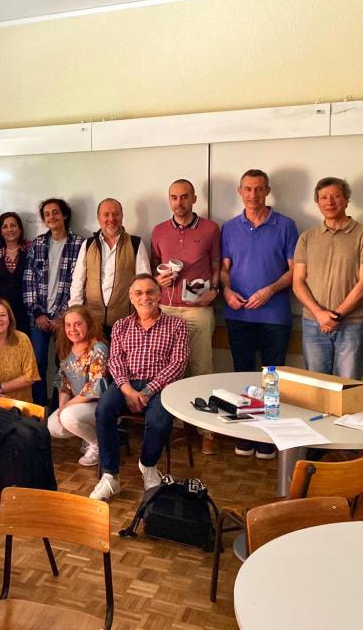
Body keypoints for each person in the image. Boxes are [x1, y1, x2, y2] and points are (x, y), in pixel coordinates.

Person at [220, 169, 298, 460]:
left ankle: (268, 437)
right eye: (248, 189)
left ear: (268, 191)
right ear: (240, 191)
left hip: (274, 315)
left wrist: (270, 291)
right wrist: (226, 291)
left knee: (272, 379)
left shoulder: (286, 225)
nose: (253, 195)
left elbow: (295, 272)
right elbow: (224, 269)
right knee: (242, 375)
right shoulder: (229, 227)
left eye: (259, 189)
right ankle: (246, 432)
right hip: (238, 314)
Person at [90, 275, 189, 502]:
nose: (145, 297)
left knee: (160, 419)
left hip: (161, 386)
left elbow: (178, 364)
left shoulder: (177, 325)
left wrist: (146, 391)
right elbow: (115, 361)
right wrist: (126, 389)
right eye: (139, 293)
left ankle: (148, 466)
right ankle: (110, 476)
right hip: (127, 383)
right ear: (131, 298)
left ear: (159, 295)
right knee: (104, 409)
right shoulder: (121, 325)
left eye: (150, 292)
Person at [150, 179, 222, 454]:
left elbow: (216, 263)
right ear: (169, 200)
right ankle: (174, 425)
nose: (179, 202)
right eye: (174, 197)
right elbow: (154, 269)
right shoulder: (158, 230)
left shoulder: (210, 229)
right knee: (167, 371)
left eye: (184, 197)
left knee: (202, 368)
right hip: (166, 310)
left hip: (198, 310)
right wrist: (160, 280)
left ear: (193, 198)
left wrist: (214, 289)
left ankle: (207, 431)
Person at [293, 177, 363, 379]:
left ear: (346, 200)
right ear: (317, 202)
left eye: (336, 196)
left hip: (352, 324)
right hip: (314, 323)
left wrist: (337, 316)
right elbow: (298, 282)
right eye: (323, 197)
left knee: (346, 388)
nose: (329, 202)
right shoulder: (307, 237)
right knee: (316, 387)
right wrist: (320, 314)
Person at [23, 197, 84, 407]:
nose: (52, 217)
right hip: (38, 316)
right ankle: (40, 409)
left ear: (64, 215)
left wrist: (63, 317)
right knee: (38, 363)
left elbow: (80, 283)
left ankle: (62, 408)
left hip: (65, 318)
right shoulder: (37, 244)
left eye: (55, 212)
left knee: (64, 364)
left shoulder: (79, 244)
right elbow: (29, 279)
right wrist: (37, 313)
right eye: (47, 214)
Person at [69, 198, 151, 338]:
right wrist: (75, 313)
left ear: (122, 216)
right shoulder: (88, 244)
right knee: (96, 359)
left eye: (116, 214)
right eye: (106, 214)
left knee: (122, 360)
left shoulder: (135, 243)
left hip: (126, 322)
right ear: (99, 217)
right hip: (92, 321)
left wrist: (143, 316)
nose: (111, 219)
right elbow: (78, 281)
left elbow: (144, 284)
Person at [47, 306, 109, 467]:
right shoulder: (67, 348)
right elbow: (63, 383)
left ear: (88, 324)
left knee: (69, 417)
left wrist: (67, 407)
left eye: (77, 324)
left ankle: (98, 445)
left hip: (99, 404)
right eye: (68, 325)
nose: (72, 329)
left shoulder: (98, 349)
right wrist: (61, 408)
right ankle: (90, 436)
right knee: (53, 427)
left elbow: (94, 389)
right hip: (78, 404)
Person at [0, 211, 30, 335]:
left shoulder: (31, 250)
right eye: (5, 226)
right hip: (1, 316)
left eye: (13, 225)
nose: (9, 229)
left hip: (26, 313)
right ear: (0, 232)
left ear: (20, 229)